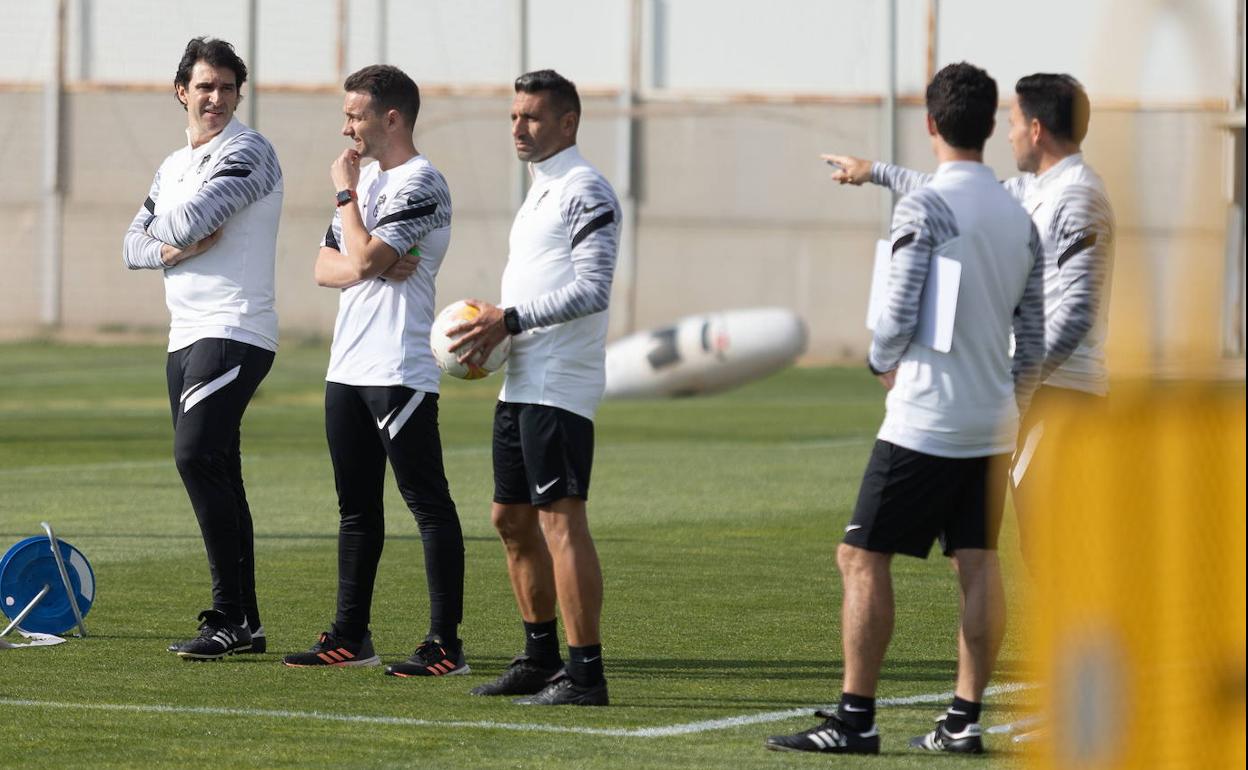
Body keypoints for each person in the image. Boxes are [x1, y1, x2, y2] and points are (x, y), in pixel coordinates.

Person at [766, 62, 1046, 754]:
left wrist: (879, 361)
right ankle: (963, 720)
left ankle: (855, 719)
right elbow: (1035, 332)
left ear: (930, 125)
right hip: (992, 423)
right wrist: (1008, 399)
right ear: (989, 126)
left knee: (860, 557)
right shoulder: (1018, 214)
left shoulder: (925, 208)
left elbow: (895, 312)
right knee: (977, 561)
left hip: (926, 418)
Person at [822, 73, 1115, 567]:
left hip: (1065, 399)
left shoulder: (1080, 197)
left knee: (1059, 551)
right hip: (1036, 393)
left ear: (1038, 129)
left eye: (1016, 121)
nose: (1009, 133)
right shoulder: (1035, 189)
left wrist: (1022, 378)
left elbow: (1078, 313)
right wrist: (874, 171)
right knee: (1038, 550)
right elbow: (954, 190)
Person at [279, 65, 468, 677]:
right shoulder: (369, 187)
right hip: (348, 365)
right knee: (355, 508)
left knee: (428, 505)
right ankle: (351, 636)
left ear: (392, 118)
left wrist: (346, 200)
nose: (346, 127)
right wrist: (368, 258)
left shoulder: (422, 183)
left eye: (355, 115)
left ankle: (446, 644)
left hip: (399, 368)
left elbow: (357, 258)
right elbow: (324, 266)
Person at [447, 69, 620, 706]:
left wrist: (508, 319)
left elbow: (593, 289)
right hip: (521, 381)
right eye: (514, 116)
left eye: (533, 118)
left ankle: (585, 673)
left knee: (559, 522)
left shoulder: (586, 189)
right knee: (510, 519)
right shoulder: (540, 191)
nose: (519, 128)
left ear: (567, 123)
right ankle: (540, 657)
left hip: (560, 384)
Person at [122, 37, 282, 661]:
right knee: (214, 466)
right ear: (182, 91)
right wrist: (170, 248)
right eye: (205, 86)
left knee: (194, 457)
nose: (216, 98)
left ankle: (229, 616)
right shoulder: (171, 166)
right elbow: (132, 245)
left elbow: (191, 220)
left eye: (227, 87)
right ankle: (246, 625)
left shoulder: (250, 151)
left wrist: (168, 233)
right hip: (184, 333)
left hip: (235, 327)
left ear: (239, 93)